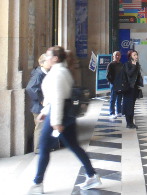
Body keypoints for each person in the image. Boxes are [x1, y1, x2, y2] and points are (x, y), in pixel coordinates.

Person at [29, 46, 101, 194]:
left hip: (58, 116)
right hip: (62, 115)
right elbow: (53, 97)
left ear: (55, 58)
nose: (46, 58)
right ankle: (91, 175)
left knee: (43, 148)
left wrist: (55, 122)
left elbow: (57, 99)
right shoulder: (60, 71)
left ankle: (37, 183)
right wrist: (45, 111)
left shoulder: (58, 73)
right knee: (74, 146)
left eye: (48, 56)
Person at [25, 53, 51, 153]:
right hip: (39, 107)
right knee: (40, 127)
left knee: (44, 126)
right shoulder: (38, 74)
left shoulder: (45, 72)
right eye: (48, 61)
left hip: (43, 106)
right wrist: (41, 99)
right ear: (42, 63)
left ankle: (44, 146)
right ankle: (38, 149)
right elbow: (30, 88)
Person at [121, 49, 143, 129]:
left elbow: (137, 75)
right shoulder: (127, 64)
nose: (136, 56)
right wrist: (134, 65)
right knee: (128, 106)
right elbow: (129, 74)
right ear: (130, 56)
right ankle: (128, 123)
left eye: (136, 54)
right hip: (128, 88)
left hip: (134, 87)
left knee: (132, 105)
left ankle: (131, 122)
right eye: (134, 55)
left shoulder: (137, 64)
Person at [105, 50, 124, 119]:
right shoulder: (111, 64)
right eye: (116, 55)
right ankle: (111, 113)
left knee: (119, 99)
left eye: (119, 55)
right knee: (113, 99)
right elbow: (108, 75)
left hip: (120, 84)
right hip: (114, 84)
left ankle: (119, 112)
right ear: (113, 56)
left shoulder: (121, 64)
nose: (117, 56)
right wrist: (112, 82)